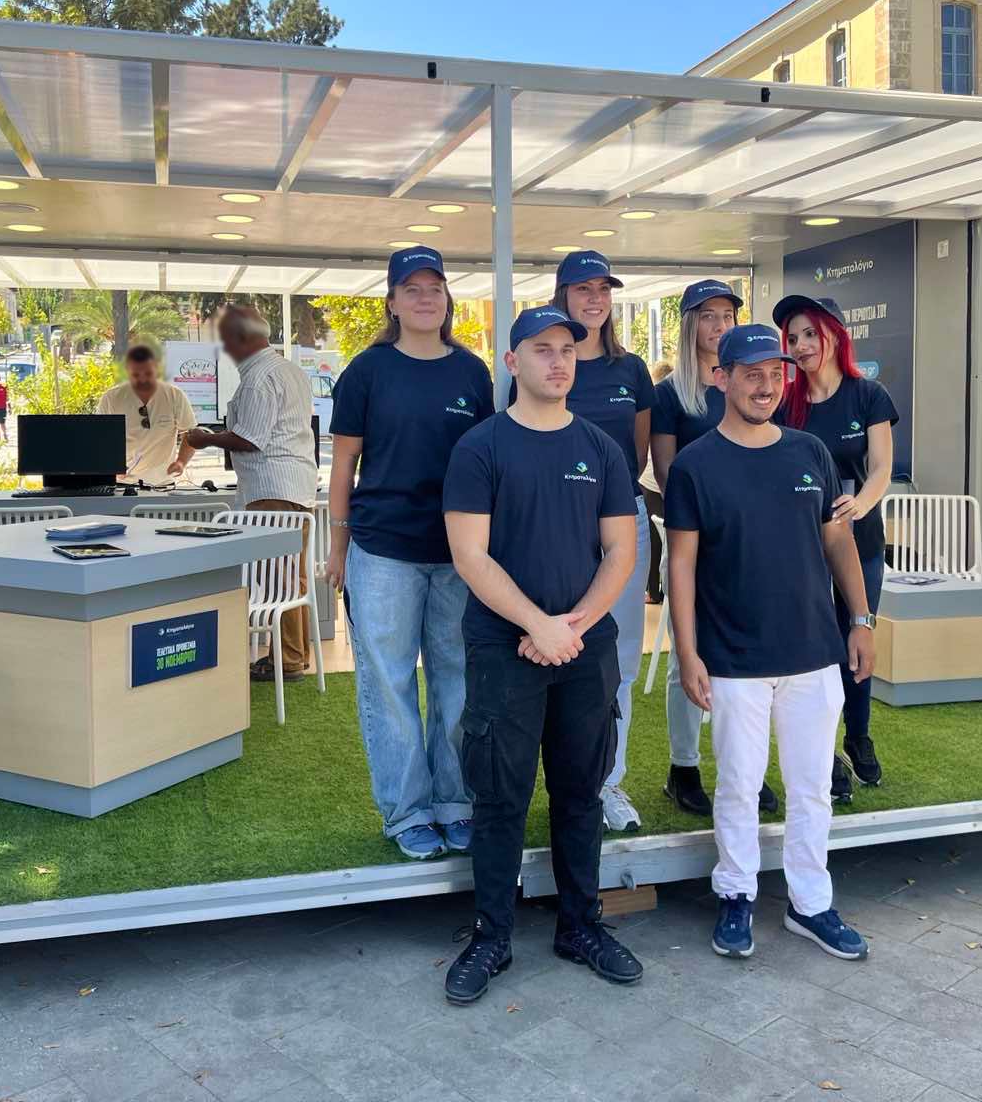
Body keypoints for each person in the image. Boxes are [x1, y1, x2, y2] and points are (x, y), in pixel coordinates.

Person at [441, 304, 642, 1005]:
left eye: (568, 350)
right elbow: (470, 555)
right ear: (512, 362)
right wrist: (536, 624)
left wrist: (571, 627)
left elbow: (620, 551)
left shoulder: (601, 448)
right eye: (543, 349)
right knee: (500, 794)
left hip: (584, 646)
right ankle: (491, 936)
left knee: (580, 790)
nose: (559, 361)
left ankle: (579, 926)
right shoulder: (480, 448)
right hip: (503, 647)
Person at [665, 323, 875, 962]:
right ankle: (736, 894)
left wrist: (861, 619)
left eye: (775, 373)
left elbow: (837, 541)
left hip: (814, 651)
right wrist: (687, 652)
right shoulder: (695, 465)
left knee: (811, 786)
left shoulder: (812, 452)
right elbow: (681, 565)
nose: (765, 385)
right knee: (738, 783)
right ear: (720, 378)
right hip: (734, 658)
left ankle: (811, 903)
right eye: (750, 373)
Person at [325, 247, 494, 861]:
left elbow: (487, 465)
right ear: (392, 302)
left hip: (459, 556)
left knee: (457, 682)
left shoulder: (472, 374)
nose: (425, 298)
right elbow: (343, 465)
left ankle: (454, 802)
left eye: (435, 288)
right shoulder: (366, 372)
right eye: (412, 288)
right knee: (389, 684)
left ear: (448, 300)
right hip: (383, 551)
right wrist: (337, 548)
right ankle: (407, 812)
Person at [649, 280, 778, 821]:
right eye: (708, 316)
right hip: (693, 543)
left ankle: (746, 769)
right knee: (689, 654)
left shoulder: (750, 383)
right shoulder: (670, 395)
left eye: (727, 315)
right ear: (689, 325)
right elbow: (666, 474)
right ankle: (683, 767)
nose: (719, 325)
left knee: (749, 657)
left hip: (748, 547)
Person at [544, 249, 656, 833]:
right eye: (583, 289)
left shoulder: (630, 370)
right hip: (554, 527)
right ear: (562, 295)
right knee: (550, 653)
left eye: (603, 289)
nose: (594, 299)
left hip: (621, 526)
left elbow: (636, 455)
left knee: (620, 660)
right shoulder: (544, 363)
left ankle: (607, 782)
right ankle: (557, 783)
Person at [774, 294, 898, 804]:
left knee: (857, 636)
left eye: (810, 334)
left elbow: (882, 469)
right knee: (817, 647)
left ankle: (858, 734)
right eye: (793, 337)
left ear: (835, 335)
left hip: (859, 541)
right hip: (802, 545)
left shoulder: (868, 395)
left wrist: (860, 505)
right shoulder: (785, 402)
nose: (801, 345)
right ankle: (825, 757)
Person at [185, 305, 317, 683]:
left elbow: (250, 439)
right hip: (294, 486)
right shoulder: (288, 370)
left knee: (278, 581)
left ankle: (287, 660)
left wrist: (205, 439)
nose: (225, 348)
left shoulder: (259, 379)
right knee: (291, 579)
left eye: (226, 339)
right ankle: (293, 655)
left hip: (271, 488)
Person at [95, 345, 198, 486]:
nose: (143, 380)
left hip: (163, 485)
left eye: (148, 373)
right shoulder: (111, 398)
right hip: (124, 484)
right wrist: (111, 466)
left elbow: (190, 434)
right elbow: (101, 438)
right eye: (136, 375)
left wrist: (181, 462)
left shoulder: (174, 395)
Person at [639, 358, 671, 604]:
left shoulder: (656, 402)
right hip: (652, 480)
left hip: (650, 481)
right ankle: (654, 590)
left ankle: (653, 591)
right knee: (659, 540)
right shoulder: (664, 400)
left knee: (654, 541)